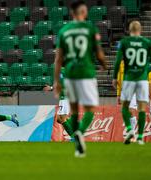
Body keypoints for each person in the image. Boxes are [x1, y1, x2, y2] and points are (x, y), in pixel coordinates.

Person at [54, 0, 107, 157]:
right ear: (84, 13)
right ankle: (79, 134)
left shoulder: (64, 31)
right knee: (90, 109)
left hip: (70, 75)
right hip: (87, 74)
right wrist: (104, 65)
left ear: (72, 13)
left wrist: (56, 80)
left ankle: (75, 135)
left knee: (74, 111)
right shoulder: (90, 29)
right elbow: (99, 53)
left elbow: (58, 58)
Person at [113, 21, 151, 145]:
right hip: (142, 80)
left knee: (124, 107)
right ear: (141, 29)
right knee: (142, 109)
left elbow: (117, 62)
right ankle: (140, 137)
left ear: (129, 30)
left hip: (128, 79)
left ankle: (129, 130)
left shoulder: (125, 43)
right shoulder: (147, 43)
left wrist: (114, 77)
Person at [43, 67, 73, 137]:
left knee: (61, 119)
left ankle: (74, 136)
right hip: (66, 97)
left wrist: (50, 88)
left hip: (64, 98)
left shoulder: (62, 71)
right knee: (60, 119)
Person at [117, 60, 138, 138]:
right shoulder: (120, 64)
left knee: (131, 110)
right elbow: (118, 79)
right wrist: (118, 94)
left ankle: (132, 134)